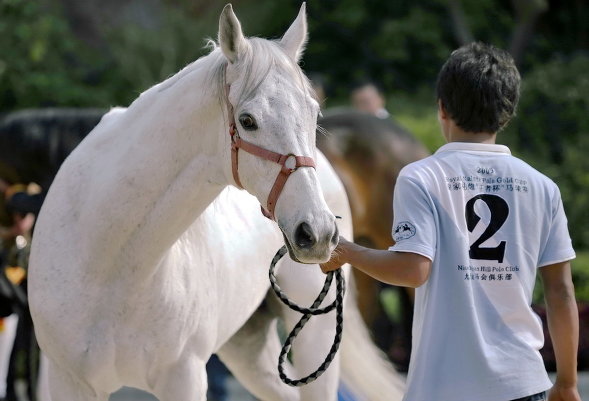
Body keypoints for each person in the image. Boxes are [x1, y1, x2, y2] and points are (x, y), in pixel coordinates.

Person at [321, 42, 581, 401]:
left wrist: (346, 251)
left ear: (442, 108)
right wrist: (566, 382)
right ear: (508, 112)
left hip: (444, 385)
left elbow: (412, 271)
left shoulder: (420, 178)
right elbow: (561, 292)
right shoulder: (542, 186)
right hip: (523, 381)